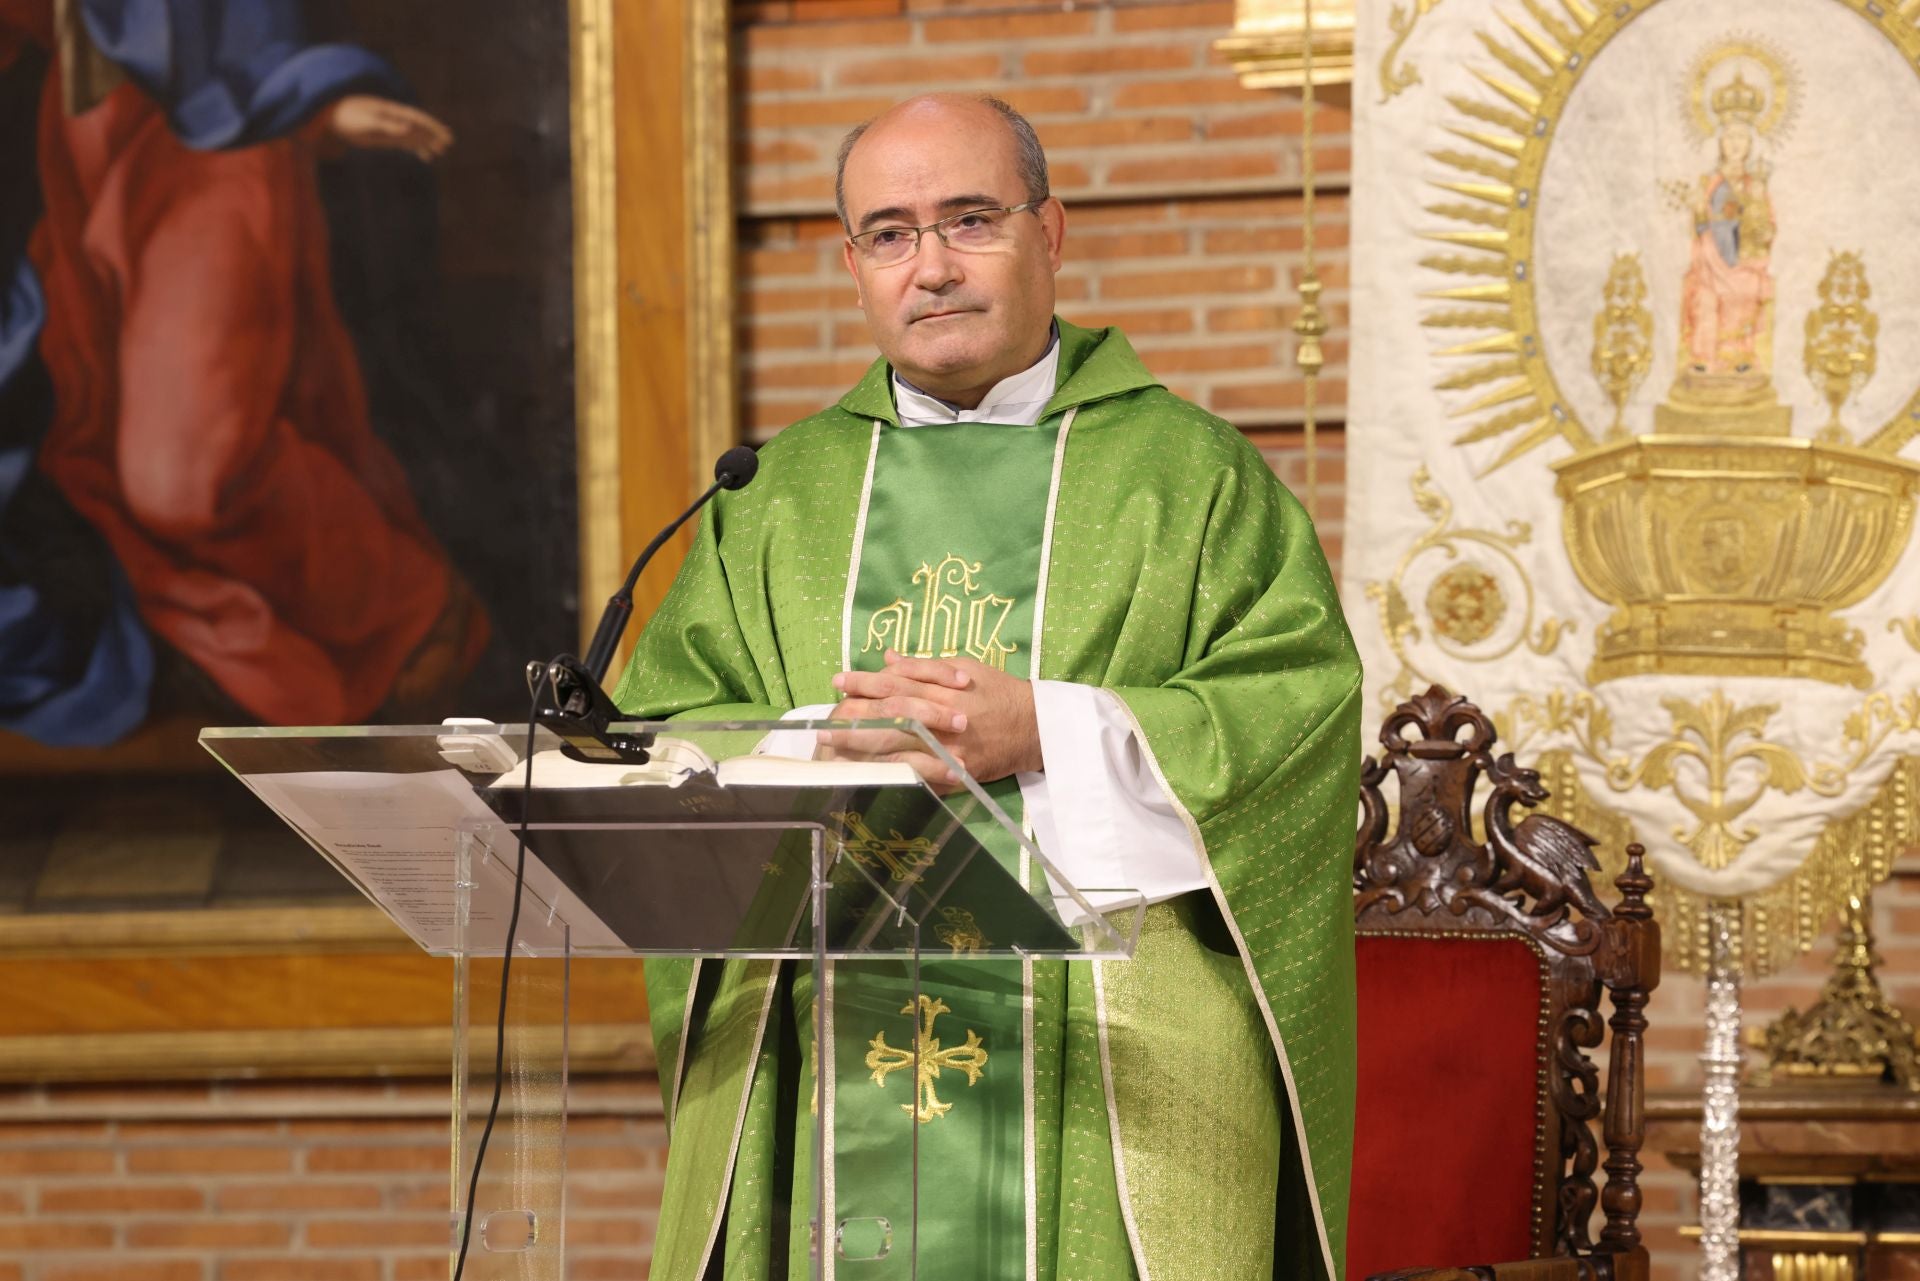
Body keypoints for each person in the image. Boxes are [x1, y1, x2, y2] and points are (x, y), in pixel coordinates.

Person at [615, 93, 1362, 1280]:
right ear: (852, 262)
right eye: (892, 233)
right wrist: (819, 746)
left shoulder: (1194, 478)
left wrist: (1050, 729)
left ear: (1051, 233)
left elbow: (1295, 719)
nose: (934, 267)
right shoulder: (769, 497)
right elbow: (656, 738)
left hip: (1115, 1064)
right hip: (832, 1051)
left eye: (970, 220)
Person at [0, 0, 484, 744]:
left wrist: (304, 98)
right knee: (108, 453)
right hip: (87, 147)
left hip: (216, 146)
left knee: (180, 479)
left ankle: (409, 601)